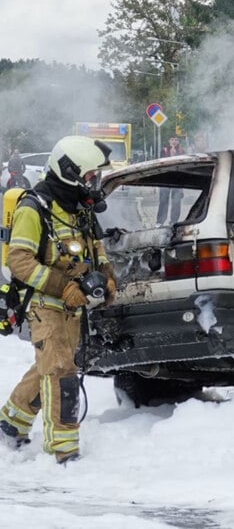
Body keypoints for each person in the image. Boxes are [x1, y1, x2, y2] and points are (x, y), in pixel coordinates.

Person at [0, 135, 117, 464]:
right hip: (44, 306)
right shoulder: (33, 208)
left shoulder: (80, 210)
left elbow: (99, 252)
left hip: (74, 308)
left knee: (49, 367)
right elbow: (20, 262)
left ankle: (11, 422)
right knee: (61, 371)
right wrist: (63, 286)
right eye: (90, 176)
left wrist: (108, 280)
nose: (94, 183)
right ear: (70, 172)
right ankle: (63, 450)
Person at [156, 135, 186, 225]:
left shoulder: (182, 151)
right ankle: (160, 221)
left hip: (177, 180)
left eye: (176, 140)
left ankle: (173, 222)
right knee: (163, 200)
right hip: (165, 179)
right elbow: (161, 163)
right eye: (172, 139)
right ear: (169, 141)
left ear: (178, 142)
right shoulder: (164, 151)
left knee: (176, 202)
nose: (174, 142)